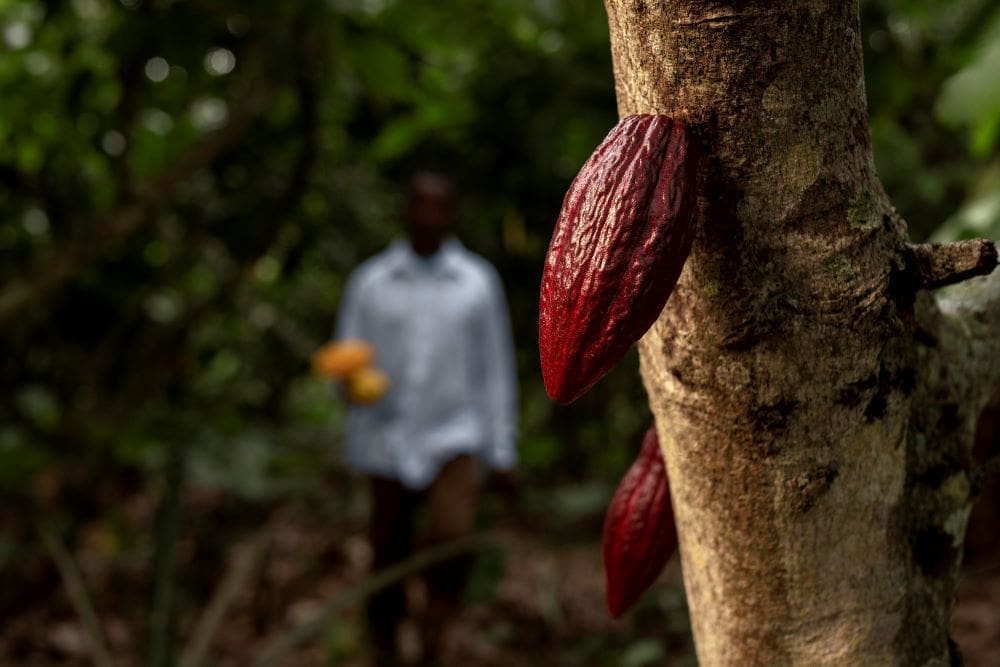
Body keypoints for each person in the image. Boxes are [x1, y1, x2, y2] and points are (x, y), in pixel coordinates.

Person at [333, 170, 518, 665]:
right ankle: (385, 644)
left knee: (450, 544)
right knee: (388, 550)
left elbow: (495, 369)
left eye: (440, 206)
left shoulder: (477, 283)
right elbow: (347, 358)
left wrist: (501, 450)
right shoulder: (371, 282)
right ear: (407, 209)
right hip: (385, 438)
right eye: (421, 204)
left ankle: (437, 638)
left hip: (455, 436)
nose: (429, 215)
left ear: (451, 213)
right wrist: (352, 384)